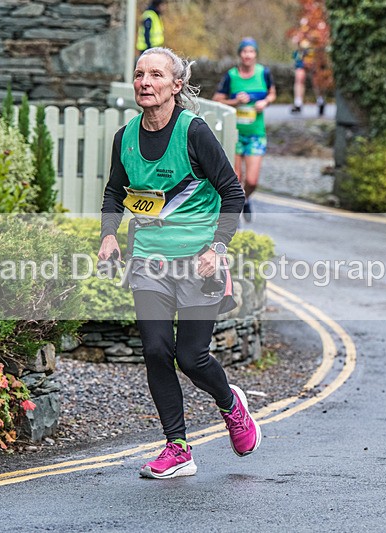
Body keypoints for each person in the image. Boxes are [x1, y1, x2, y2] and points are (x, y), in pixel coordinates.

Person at [98, 47, 261, 480]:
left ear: (176, 85)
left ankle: (231, 405)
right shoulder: (125, 137)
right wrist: (109, 235)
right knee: (155, 349)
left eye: (155, 75)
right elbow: (115, 192)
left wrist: (217, 248)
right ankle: (178, 447)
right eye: (139, 74)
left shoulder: (194, 132)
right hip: (149, 259)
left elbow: (233, 192)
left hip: (199, 262)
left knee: (191, 357)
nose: (144, 82)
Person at [213, 37, 276, 222]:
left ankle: (245, 199)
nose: (248, 55)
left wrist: (265, 102)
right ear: (240, 54)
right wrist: (235, 101)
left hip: (256, 133)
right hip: (235, 135)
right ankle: (233, 215)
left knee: (252, 181)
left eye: (251, 52)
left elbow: (272, 93)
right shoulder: (231, 76)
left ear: (255, 54)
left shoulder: (263, 73)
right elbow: (216, 99)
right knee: (235, 178)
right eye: (244, 51)